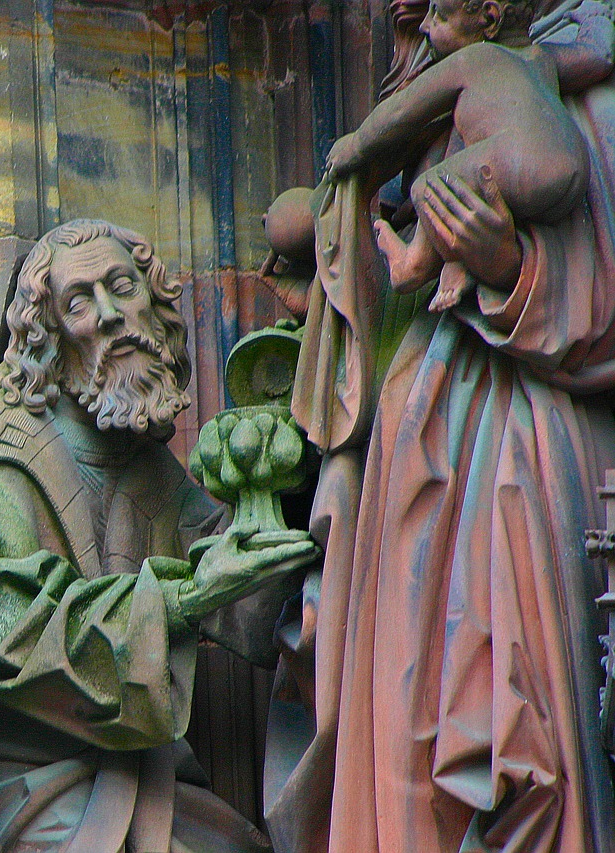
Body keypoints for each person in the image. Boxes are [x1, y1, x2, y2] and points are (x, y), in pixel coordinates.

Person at [265, 0, 615, 845]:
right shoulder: (462, 92)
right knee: (412, 711)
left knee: (520, 707)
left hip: (532, 429)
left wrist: (513, 268)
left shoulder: (585, 95)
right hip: (416, 426)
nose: (408, 20)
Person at [0, 219, 318, 853]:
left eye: (122, 287)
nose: (110, 316)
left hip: (151, 784)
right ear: (46, 335)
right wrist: (183, 602)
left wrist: (299, 465)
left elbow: (253, 598)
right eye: (79, 302)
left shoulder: (143, 463)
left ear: (155, 308)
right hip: (32, 789)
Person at [325, 0, 614, 311]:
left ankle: (412, 264)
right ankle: (463, 265)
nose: (425, 25)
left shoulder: (470, 59)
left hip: (523, 161)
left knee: (430, 186)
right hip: (573, 168)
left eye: (438, 15)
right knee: (465, 171)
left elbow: (399, 112)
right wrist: (595, 17)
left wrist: (355, 147)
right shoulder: (541, 57)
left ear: (489, 18)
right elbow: (599, 56)